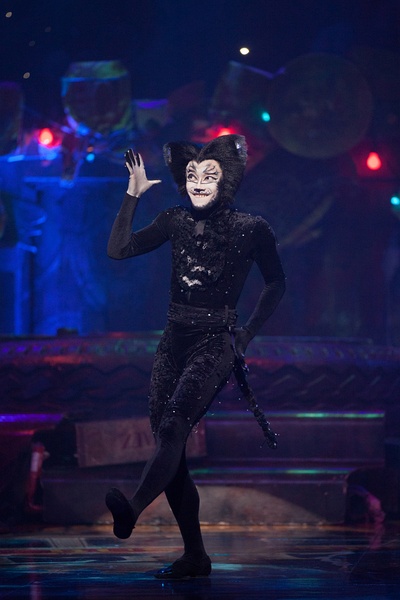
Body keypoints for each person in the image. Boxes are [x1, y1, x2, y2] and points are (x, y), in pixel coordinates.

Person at [106, 134, 285, 579]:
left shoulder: (252, 228)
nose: (198, 182)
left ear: (227, 181)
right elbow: (118, 249)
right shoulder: (174, 219)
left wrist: (245, 335)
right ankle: (195, 556)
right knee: (171, 451)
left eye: (209, 175)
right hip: (174, 340)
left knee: (173, 428)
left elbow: (276, 282)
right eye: (191, 175)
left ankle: (132, 509)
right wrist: (133, 194)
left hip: (215, 341)